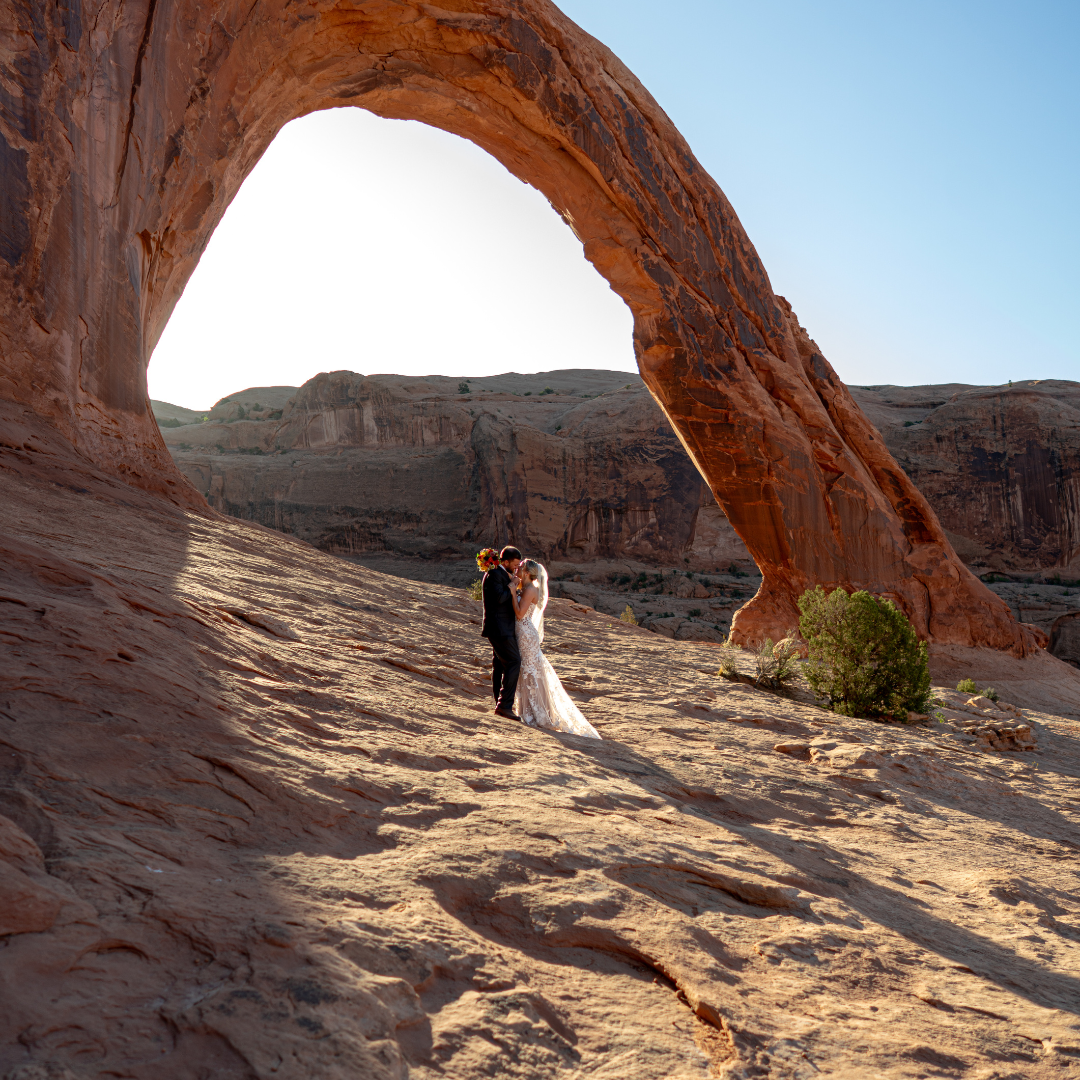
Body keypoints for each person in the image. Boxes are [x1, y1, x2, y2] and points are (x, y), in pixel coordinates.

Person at [510, 559, 601, 739]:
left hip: (526, 634)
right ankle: (528, 710)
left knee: (530, 671)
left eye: (520, 567)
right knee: (528, 670)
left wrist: (513, 592)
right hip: (523, 633)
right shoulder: (526, 587)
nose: (517, 569)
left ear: (527, 573)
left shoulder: (529, 590)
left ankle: (537, 714)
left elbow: (520, 615)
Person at [481, 545, 522, 720]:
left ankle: (499, 702)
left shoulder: (500, 573)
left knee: (499, 665)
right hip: (499, 629)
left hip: (501, 628)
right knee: (514, 661)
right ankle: (504, 705)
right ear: (505, 561)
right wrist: (512, 585)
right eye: (515, 564)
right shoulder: (494, 574)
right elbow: (499, 598)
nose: (517, 568)